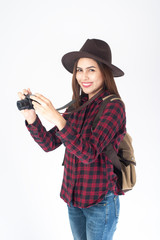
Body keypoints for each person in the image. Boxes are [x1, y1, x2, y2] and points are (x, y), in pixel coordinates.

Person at [18, 39, 126, 240]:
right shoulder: (77, 105)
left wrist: (58, 119)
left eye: (91, 70)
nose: (83, 76)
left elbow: (89, 153)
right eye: (79, 70)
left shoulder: (114, 106)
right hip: (73, 198)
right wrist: (31, 118)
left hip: (100, 201)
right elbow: (50, 144)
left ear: (105, 72)